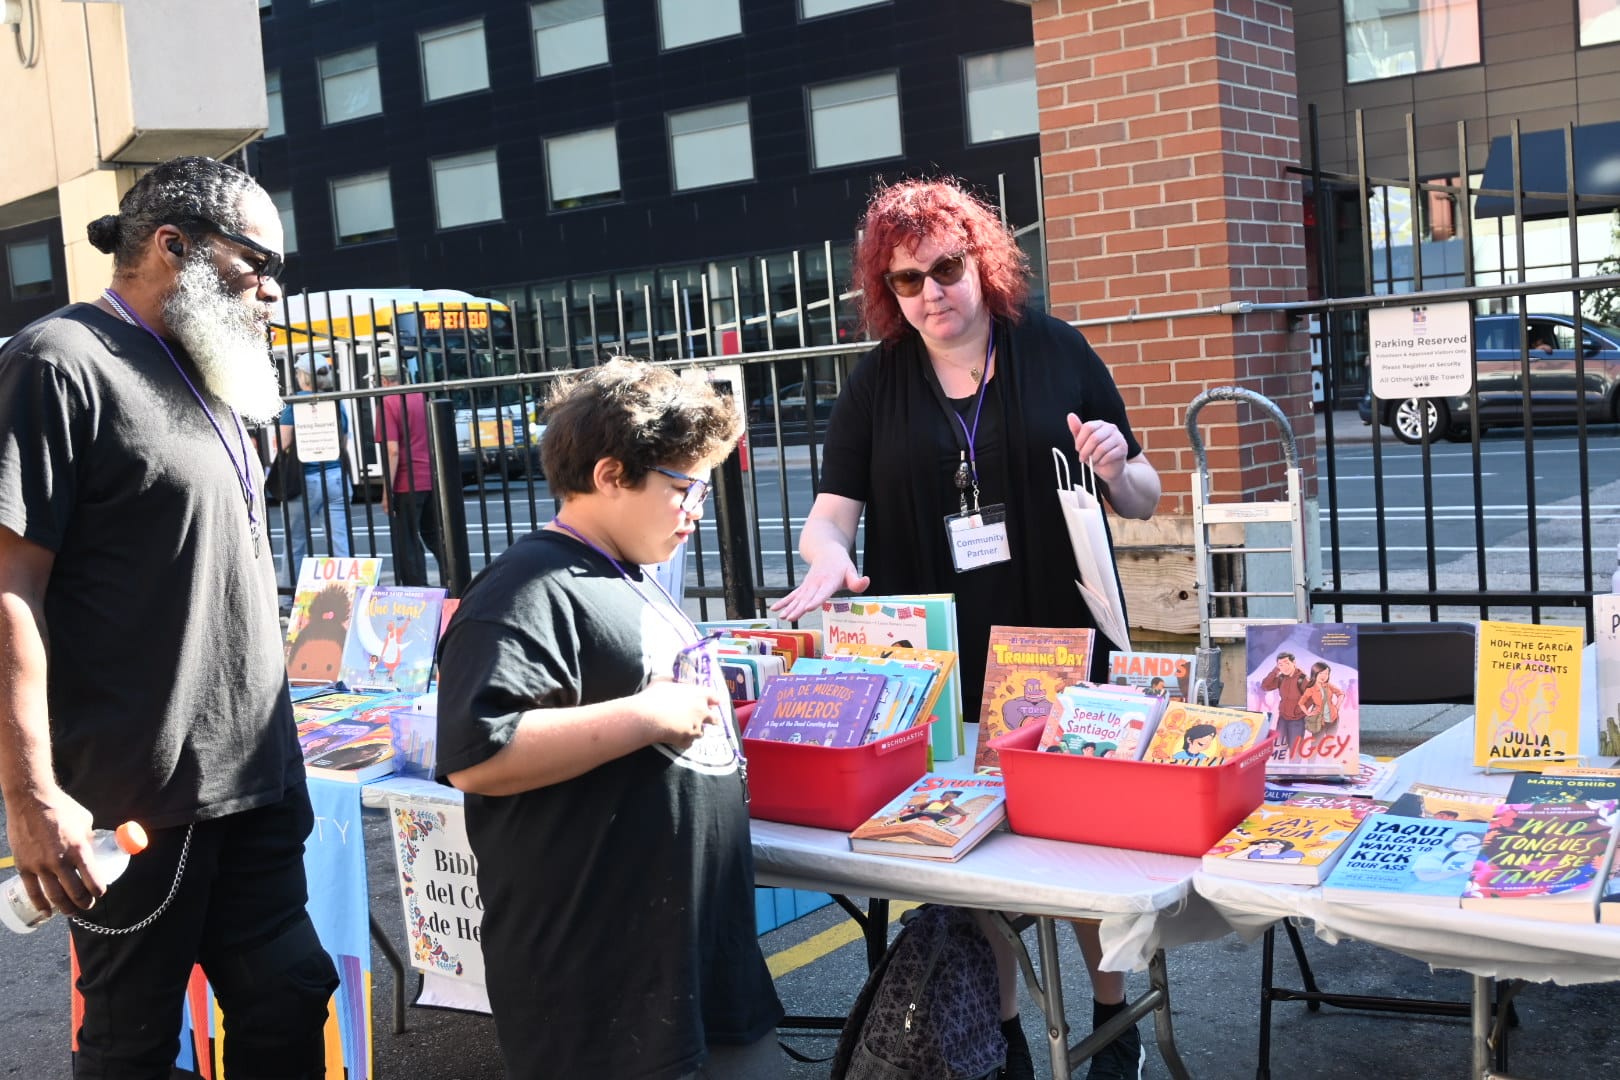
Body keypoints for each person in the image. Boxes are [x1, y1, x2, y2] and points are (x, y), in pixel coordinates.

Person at [773, 177, 1162, 1080]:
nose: (930, 293)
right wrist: (825, 556)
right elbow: (829, 517)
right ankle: (1003, 1033)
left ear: (981, 263)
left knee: (1073, 847)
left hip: (1057, 643)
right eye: (907, 281)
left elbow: (1142, 497)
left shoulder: (1056, 351)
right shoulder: (878, 383)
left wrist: (1114, 467)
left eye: (945, 268)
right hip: (941, 661)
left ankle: (1115, 1027)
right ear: (889, 293)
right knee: (967, 854)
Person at [0, 156, 339, 1076]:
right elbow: (8, 590)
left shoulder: (216, 375)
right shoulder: (58, 362)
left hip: (258, 784)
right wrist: (30, 798)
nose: (271, 290)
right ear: (172, 245)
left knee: (288, 997)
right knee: (133, 1043)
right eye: (255, 263)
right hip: (136, 797)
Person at [435, 358, 784, 1079]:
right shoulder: (526, 588)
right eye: (683, 488)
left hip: (689, 968)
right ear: (610, 475)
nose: (696, 510)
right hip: (603, 994)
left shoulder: (625, 571)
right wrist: (648, 715)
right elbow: (479, 752)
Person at [279, 352, 351, 580]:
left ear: (302, 376)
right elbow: (343, 440)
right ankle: (349, 591)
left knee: (295, 541)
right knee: (340, 542)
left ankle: (287, 597)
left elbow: (284, 442)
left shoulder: (294, 404)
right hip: (335, 475)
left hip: (304, 479)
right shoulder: (335, 402)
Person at [376, 356, 443, 586]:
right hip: (430, 479)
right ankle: (455, 580)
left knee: (407, 541)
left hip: (406, 482)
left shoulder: (387, 402)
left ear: (384, 380)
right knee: (435, 536)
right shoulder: (421, 395)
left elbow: (392, 450)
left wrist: (387, 491)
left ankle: (418, 591)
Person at [1262, 652, 1308, 756]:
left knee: (1295, 751)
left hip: (1297, 721)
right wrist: (1275, 671)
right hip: (1282, 719)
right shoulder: (1281, 678)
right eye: (1281, 664)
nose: (1285, 667)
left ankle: (1294, 772)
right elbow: (1265, 686)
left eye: (1287, 663)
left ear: (1294, 663)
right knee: (1278, 750)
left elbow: (1312, 698)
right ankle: (1278, 771)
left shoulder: (1303, 679)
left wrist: (1299, 711)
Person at [1298, 660, 1345, 737]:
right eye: (1321, 673)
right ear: (1315, 673)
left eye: (1326, 673)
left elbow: (1341, 694)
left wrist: (1337, 707)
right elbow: (1301, 703)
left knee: (1331, 743)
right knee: (1316, 744)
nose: (1324, 676)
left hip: (1333, 719)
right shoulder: (1311, 688)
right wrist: (1308, 713)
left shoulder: (1328, 685)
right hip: (1318, 721)